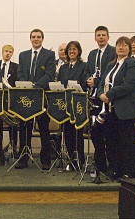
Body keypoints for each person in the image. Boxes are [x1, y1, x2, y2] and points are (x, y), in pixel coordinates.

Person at [97, 36, 135, 179]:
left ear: (129, 49)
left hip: (125, 110)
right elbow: (100, 84)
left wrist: (109, 94)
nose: (121, 48)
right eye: (118, 45)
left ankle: (129, 171)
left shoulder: (133, 64)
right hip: (110, 110)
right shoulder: (111, 65)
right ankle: (115, 169)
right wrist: (100, 95)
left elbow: (129, 85)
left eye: (124, 45)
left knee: (126, 142)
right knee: (111, 141)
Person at [15, 29, 55, 170]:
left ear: (42, 39)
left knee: (44, 128)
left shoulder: (49, 55)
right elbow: (19, 74)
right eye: (33, 37)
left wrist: (35, 86)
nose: (36, 39)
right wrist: (24, 84)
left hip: (41, 96)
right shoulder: (23, 55)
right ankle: (23, 159)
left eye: (38, 37)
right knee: (24, 128)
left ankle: (45, 160)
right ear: (30, 39)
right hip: (25, 98)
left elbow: (49, 75)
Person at [86, 26, 116, 175]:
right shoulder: (92, 54)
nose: (101, 37)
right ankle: (100, 163)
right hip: (94, 99)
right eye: (98, 35)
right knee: (95, 132)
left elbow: (108, 73)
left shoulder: (113, 52)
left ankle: (111, 164)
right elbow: (88, 70)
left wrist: (96, 81)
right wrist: (89, 80)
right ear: (95, 37)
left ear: (108, 37)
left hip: (107, 97)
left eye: (104, 35)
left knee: (109, 133)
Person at [57, 41, 88, 169]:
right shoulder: (63, 68)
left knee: (77, 133)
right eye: (69, 49)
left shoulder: (84, 66)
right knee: (67, 133)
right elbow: (61, 83)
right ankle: (71, 159)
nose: (71, 51)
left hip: (78, 104)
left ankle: (79, 159)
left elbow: (85, 83)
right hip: (65, 105)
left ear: (78, 51)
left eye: (74, 49)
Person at [0, 45, 19, 160]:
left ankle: (13, 147)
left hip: (11, 99)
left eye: (10, 52)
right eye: (6, 51)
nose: (8, 54)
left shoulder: (16, 67)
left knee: (12, 124)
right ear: (2, 52)